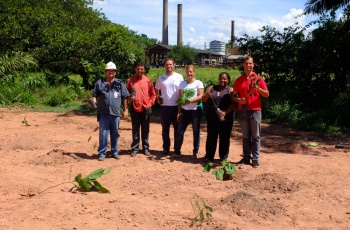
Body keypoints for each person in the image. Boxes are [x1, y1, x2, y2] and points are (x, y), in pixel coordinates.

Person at [233, 56, 269, 168]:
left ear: (253, 65)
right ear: (243, 65)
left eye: (250, 63)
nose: (248, 65)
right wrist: (238, 100)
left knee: (256, 136)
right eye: (246, 63)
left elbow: (267, 94)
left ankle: (255, 158)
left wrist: (259, 89)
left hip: (255, 110)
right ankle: (246, 157)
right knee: (245, 136)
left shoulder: (258, 79)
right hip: (243, 110)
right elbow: (233, 95)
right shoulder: (239, 80)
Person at [89, 61, 129, 161]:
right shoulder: (99, 83)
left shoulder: (120, 83)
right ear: (105, 72)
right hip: (103, 113)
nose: (111, 72)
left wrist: (125, 110)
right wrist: (92, 101)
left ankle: (114, 152)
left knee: (115, 133)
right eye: (109, 70)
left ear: (115, 72)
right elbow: (95, 95)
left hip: (115, 113)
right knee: (103, 133)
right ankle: (102, 153)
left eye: (113, 70)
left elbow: (125, 97)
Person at [172, 65, 204, 159]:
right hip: (184, 111)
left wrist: (191, 101)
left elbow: (201, 96)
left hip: (195, 110)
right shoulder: (182, 84)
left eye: (191, 72)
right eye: (188, 72)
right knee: (180, 131)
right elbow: (180, 98)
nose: (189, 73)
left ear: (194, 72)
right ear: (186, 73)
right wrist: (179, 112)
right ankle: (177, 152)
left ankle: (195, 152)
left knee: (195, 131)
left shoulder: (198, 83)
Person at [202, 72, 235, 163]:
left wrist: (225, 112)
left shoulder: (230, 90)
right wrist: (206, 95)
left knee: (224, 138)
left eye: (225, 79)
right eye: (221, 78)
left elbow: (234, 104)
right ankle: (209, 156)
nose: (222, 80)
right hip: (212, 118)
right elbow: (204, 100)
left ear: (228, 80)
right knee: (211, 137)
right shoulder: (211, 88)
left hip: (226, 119)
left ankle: (223, 157)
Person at [126, 62, 156, 157]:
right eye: (138, 69)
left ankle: (145, 148)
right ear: (135, 69)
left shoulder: (148, 80)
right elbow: (126, 95)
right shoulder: (130, 81)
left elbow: (153, 94)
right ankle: (135, 148)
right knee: (135, 129)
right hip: (134, 107)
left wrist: (150, 103)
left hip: (145, 108)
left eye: (142, 69)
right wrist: (130, 99)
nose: (140, 71)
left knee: (145, 129)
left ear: (144, 69)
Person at [155, 58, 184, 155]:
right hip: (165, 107)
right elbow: (156, 90)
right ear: (164, 66)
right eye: (167, 64)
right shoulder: (161, 78)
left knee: (177, 129)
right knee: (165, 129)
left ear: (174, 65)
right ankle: (166, 148)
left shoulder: (179, 77)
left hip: (176, 106)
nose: (169, 66)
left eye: (171, 64)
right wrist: (157, 98)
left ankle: (177, 149)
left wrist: (181, 107)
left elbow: (182, 92)